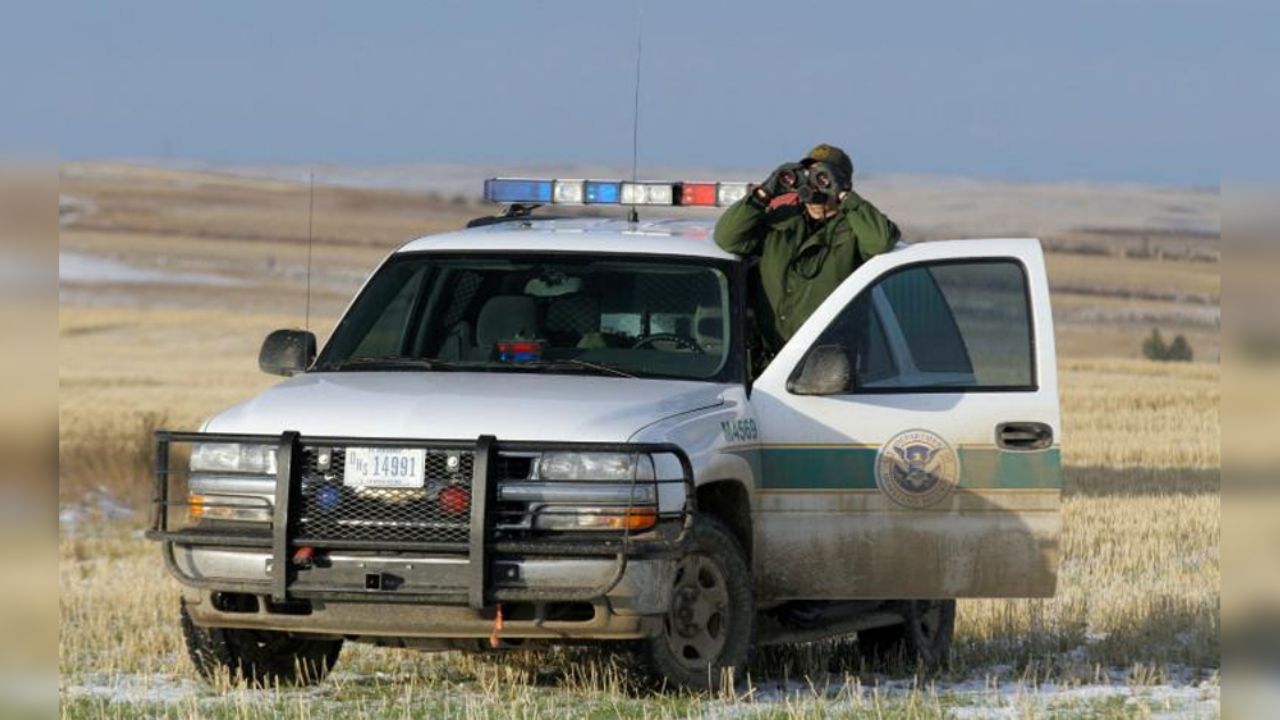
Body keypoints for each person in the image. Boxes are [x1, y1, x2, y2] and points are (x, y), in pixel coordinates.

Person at [714, 144, 899, 370]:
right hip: (768, 363)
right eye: (808, 175)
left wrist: (845, 196)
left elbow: (881, 241)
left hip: (826, 368)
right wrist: (765, 193)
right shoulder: (780, 222)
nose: (814, 183)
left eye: (823, 177)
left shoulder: (855, 231)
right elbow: (727, 237)